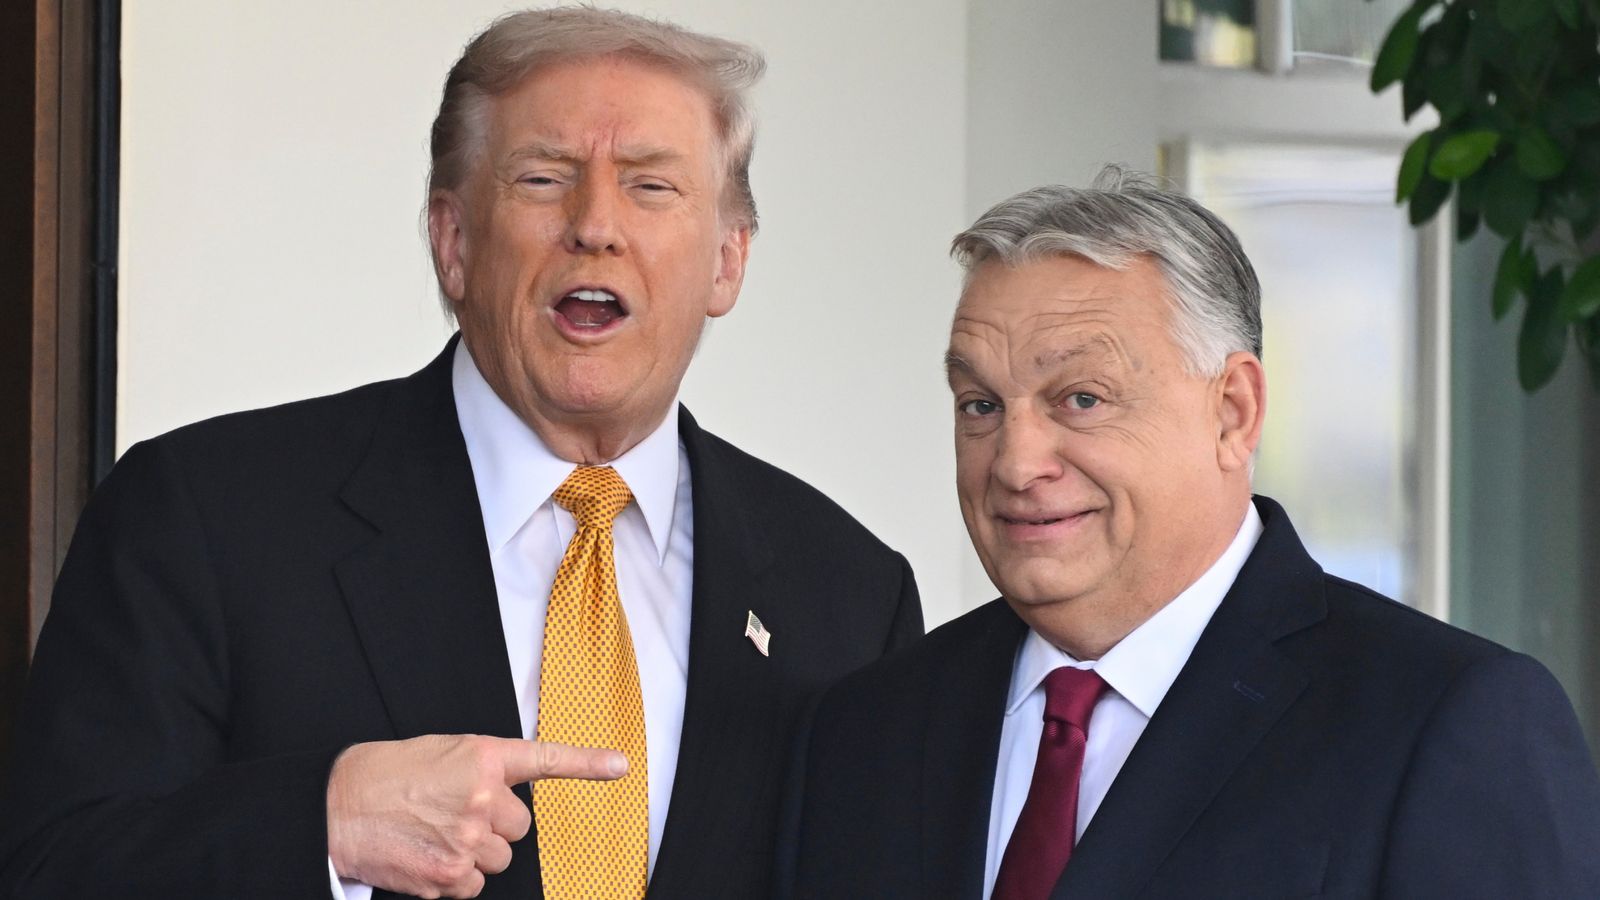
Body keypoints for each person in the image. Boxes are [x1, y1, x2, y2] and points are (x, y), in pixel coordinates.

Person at [0, 8, 922, 900]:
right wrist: (321, 826)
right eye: (542, 179)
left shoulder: (847, 597)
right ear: (453, 243)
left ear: (728, 260)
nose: (595, 224)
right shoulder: (205, 516)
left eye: (650, 185)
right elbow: (52, 871)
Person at [783, 168, 1600, 899]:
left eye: (1082, 399)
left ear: (1232, 412)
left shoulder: (1445, 721)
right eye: (981, 406)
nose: (1016, 463)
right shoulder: (869, 728)